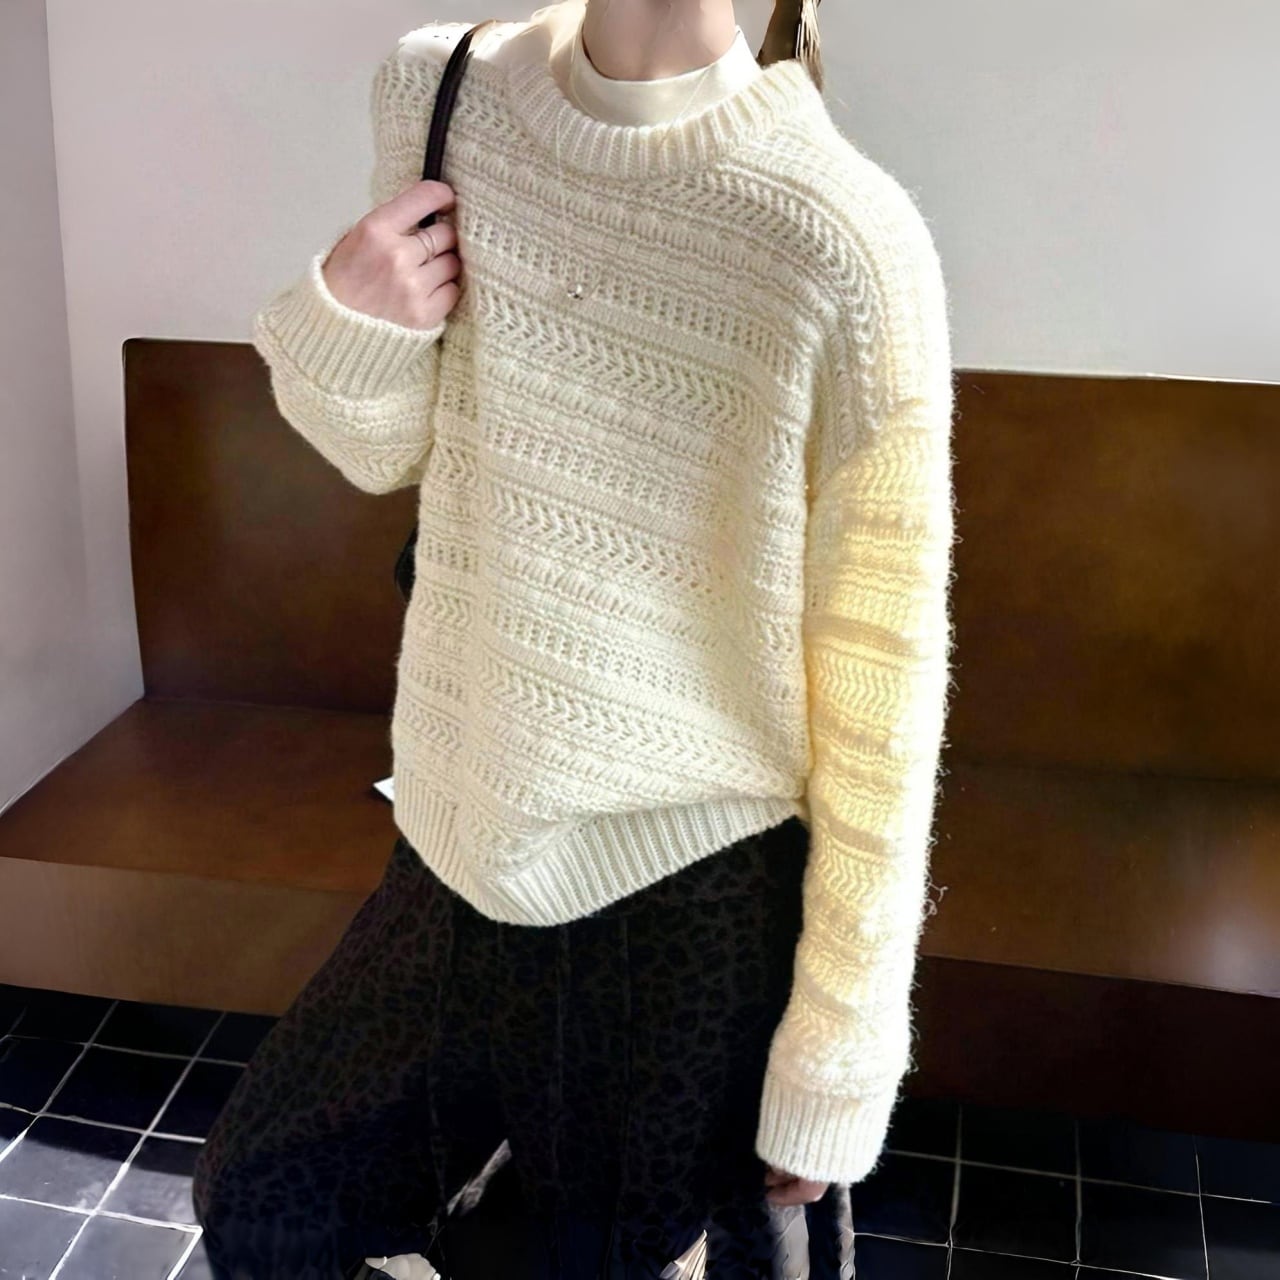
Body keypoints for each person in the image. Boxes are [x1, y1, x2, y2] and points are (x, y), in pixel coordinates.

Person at [192, 0, 956, 1275]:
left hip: (692, 899)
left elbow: (881, 691)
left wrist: (838, 1045)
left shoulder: (842, 237)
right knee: (265, 1199)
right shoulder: (441, 90)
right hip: (455, 840)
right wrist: (345, 309)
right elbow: (390, 448)